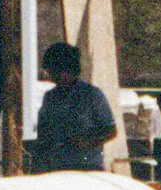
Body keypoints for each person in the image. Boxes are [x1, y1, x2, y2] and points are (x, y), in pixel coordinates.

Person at [30, 42, 117, 173]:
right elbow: (43, 131)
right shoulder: (50, 97)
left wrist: (87, 141)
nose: (51, 76)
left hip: (87, 168)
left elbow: (111, 130)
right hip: (57, 168)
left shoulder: (92, 95)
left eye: (54, 71)